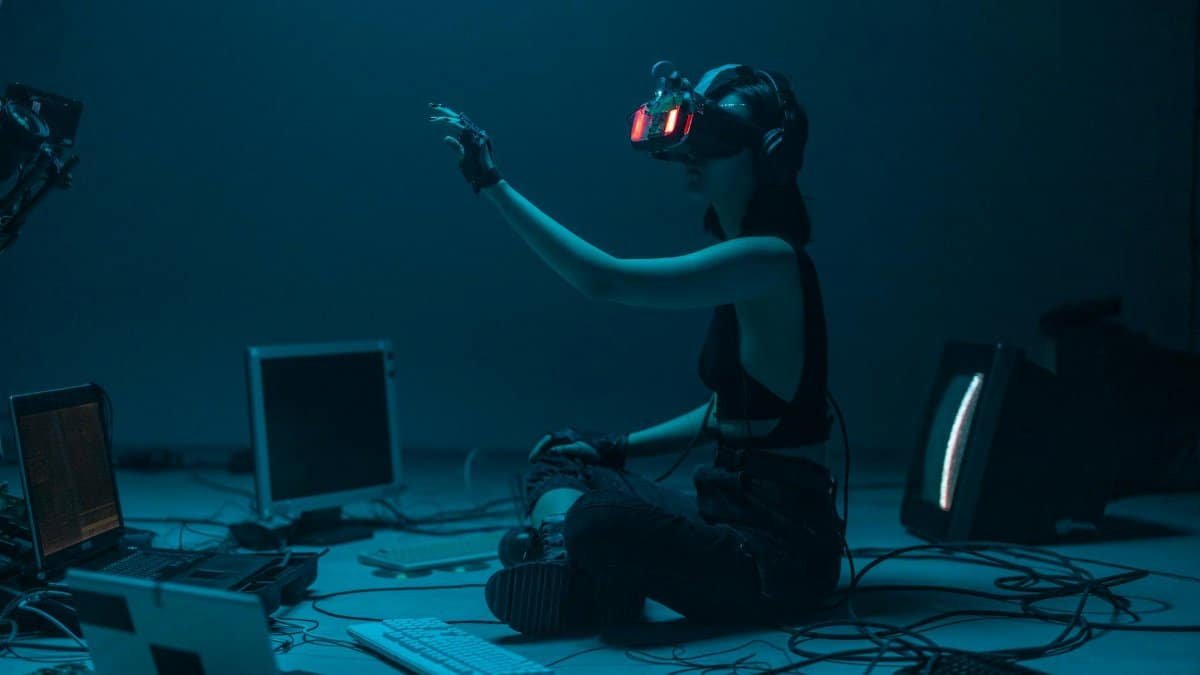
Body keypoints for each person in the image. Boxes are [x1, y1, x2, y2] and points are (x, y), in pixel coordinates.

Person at [429, 62, 844, 636]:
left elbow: (607, 280)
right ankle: (564, 568)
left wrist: (492, 185)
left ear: (768, 155)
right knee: (564, 458)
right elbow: (730, 412)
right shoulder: (745, 262)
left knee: (599, 519)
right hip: (723, 510)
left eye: (719, 140)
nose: (697, 154)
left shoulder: (768, 262)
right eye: (698, 136)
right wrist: (617, 448)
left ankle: (576, 568)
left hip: (774, 558)